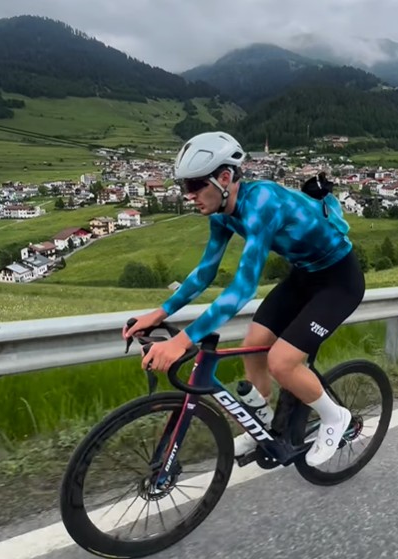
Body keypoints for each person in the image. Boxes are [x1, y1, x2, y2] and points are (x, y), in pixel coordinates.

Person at [123, 131, 365, 467]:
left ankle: (335, 416)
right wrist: (159, 313)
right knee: (253, 343)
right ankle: (261, 422)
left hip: (339, 281)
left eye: (194, 186)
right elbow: (205, 273)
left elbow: (243, 288)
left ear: (224, 178)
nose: (189, 195)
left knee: (281, 362)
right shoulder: (221, 214)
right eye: (184, 187)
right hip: (303, 277)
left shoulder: (263, 203)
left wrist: (181, 341)